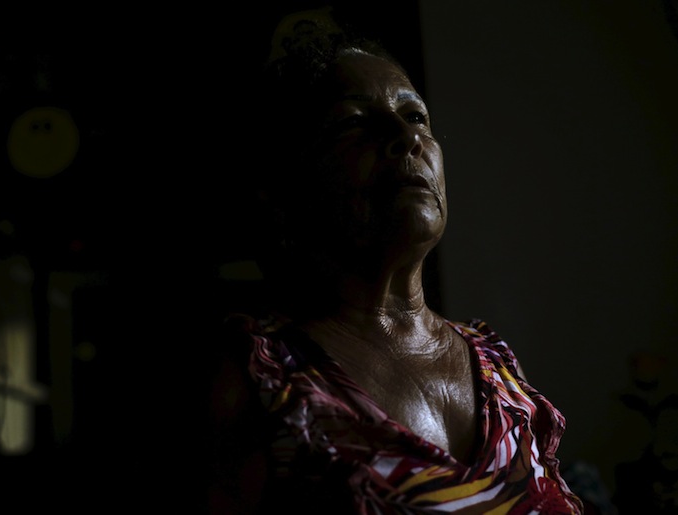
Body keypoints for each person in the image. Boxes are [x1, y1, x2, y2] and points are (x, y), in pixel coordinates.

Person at [208, 7, 584, 514]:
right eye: (354, 123)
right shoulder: (256, 384)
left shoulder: (497, 367)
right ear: (281, 193)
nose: (407, 138)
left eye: (416, 117)